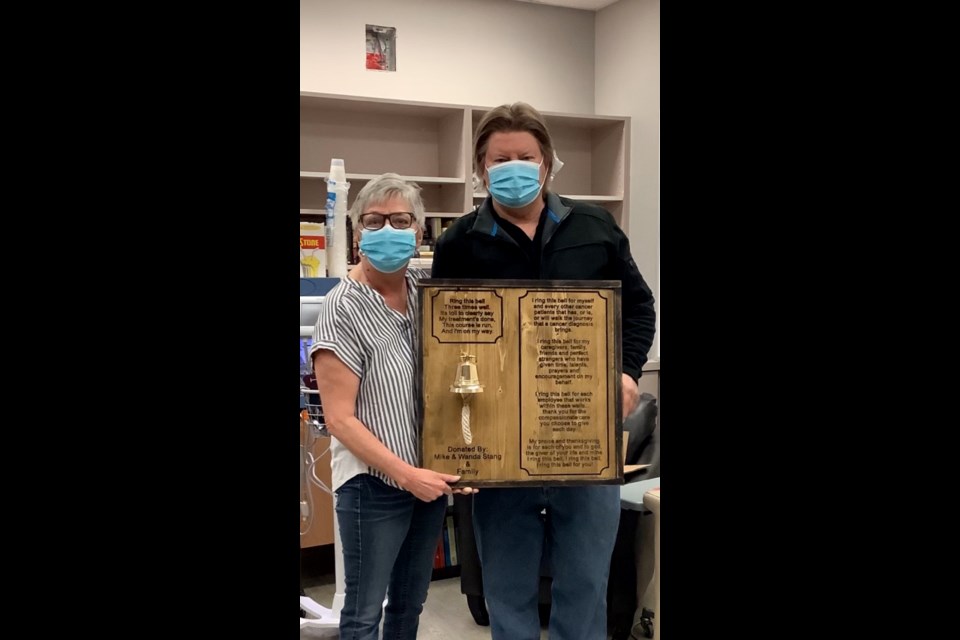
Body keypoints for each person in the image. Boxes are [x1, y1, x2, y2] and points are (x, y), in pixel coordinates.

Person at [431, 102, 657, 640]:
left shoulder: (595, 226)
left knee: (583, 584)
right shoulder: (458, 242)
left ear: (548, 162)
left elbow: (640, 306)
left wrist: (626, 373)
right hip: (498, 443)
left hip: (584, 436)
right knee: (507, 587)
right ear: (481, 168)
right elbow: (446, 339)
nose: (514, 167)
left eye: (525, 157)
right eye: (500, 158)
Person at [310, 173, 476, 640]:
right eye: (375, 220)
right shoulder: (343, 306)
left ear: (419, 231)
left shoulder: (429, 291)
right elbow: (340, 418)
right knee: (363, 613)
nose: (388, 229)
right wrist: (406, 475)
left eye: (400, 219)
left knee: (409, 603)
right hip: (374, 487)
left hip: (427, 479)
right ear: (357, 231)